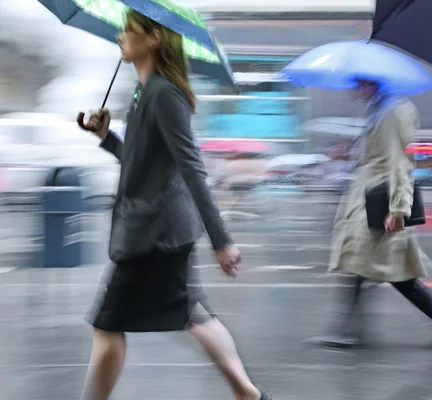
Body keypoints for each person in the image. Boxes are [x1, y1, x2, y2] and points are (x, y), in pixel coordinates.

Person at [76, 10, 270, 400]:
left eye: (128, 31)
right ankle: (248, 394)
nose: (120, 36)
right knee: (194, 315)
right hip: (158, 230)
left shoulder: (164, 93)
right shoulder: (145, 91)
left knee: (108, 324)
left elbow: (192, 168)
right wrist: (105, 135)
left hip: (154, 234)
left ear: (153, 40)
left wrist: (222, 239)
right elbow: (142, 159)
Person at [318, 80, 432, 347]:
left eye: (358, 84)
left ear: (373, 83)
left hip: (380, 201)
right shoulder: (379, 108)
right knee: (374, 265)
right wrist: (350, 154)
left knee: (365, 262)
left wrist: (399, 209)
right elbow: (376, 154)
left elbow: (400, 162)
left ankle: (348, 329)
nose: (353, 90)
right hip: (368, 198)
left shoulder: (394, 111)